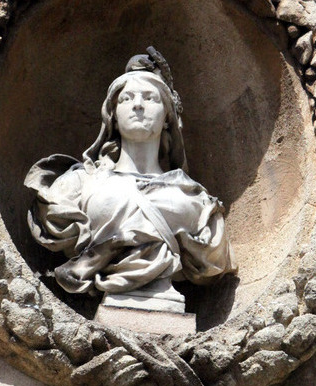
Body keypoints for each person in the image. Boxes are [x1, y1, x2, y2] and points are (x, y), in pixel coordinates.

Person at [25, 48, 235, 313]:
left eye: (150, 97)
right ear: (112, 115)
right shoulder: (75, 187)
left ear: (168, 117)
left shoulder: (196, 202)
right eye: (126, 98)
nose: (138, 105)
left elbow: (213, 261)